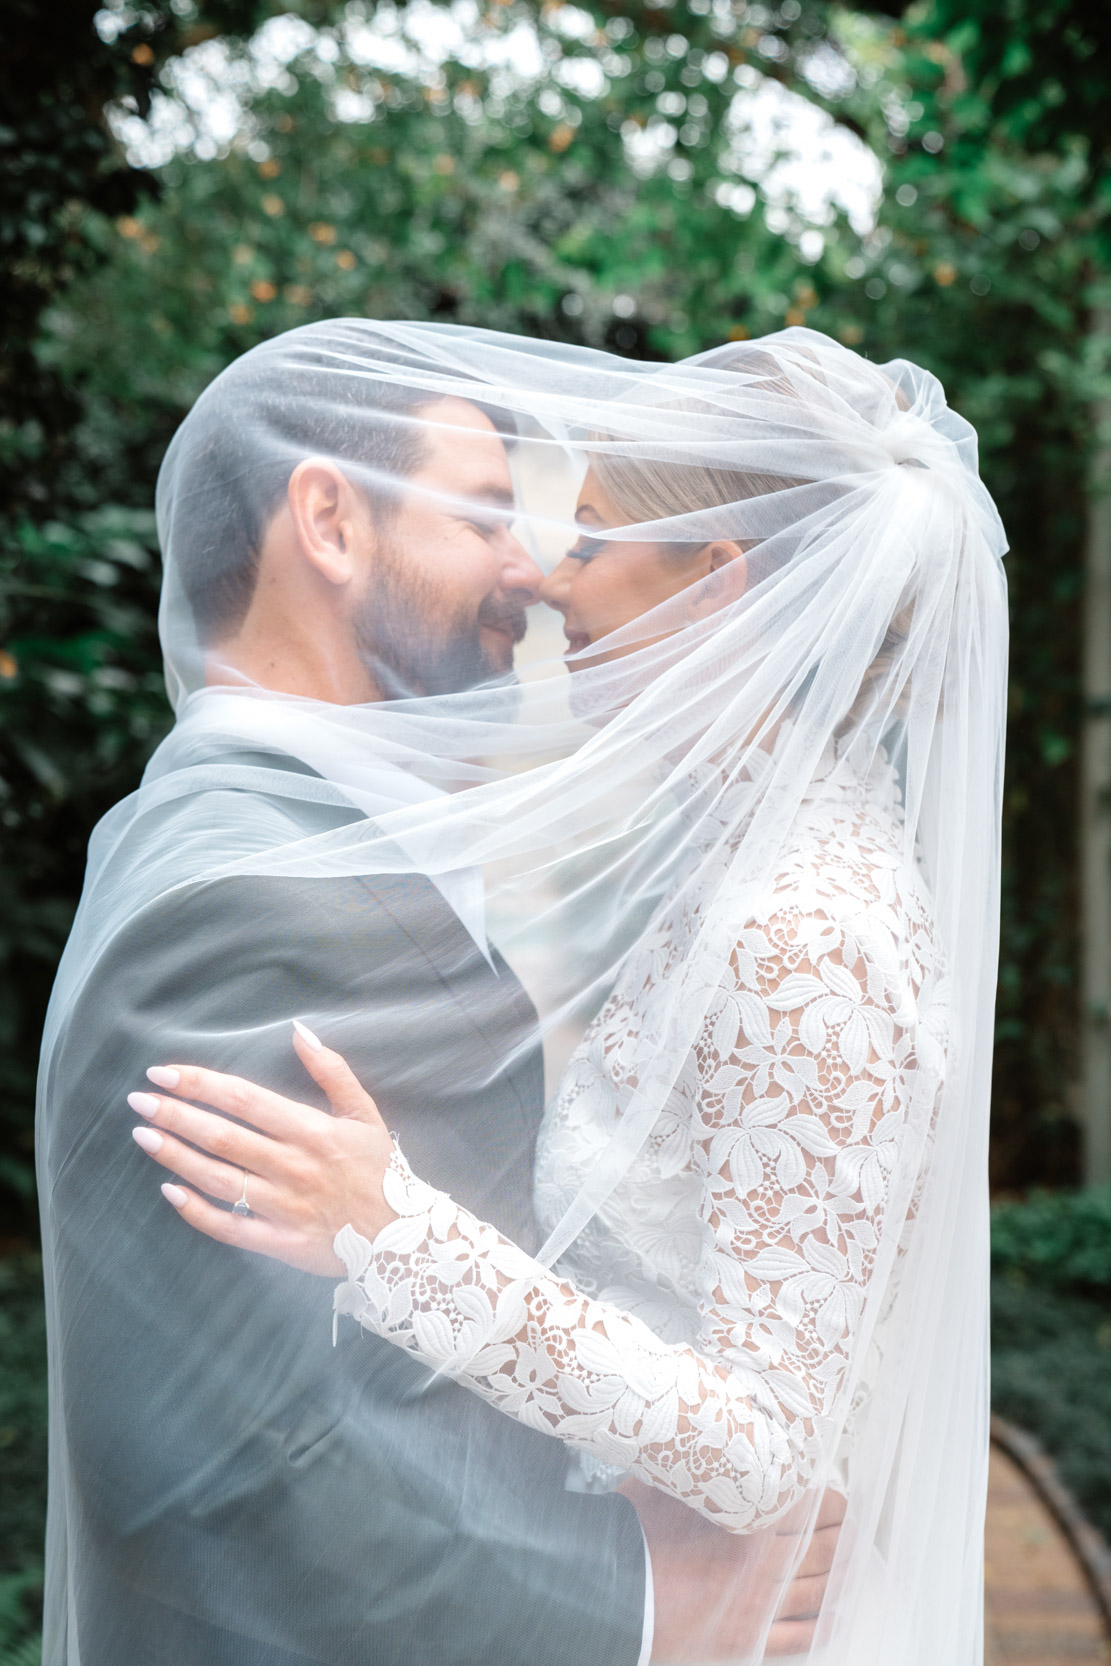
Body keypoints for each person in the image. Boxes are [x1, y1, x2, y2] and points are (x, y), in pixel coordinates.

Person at [126, 325, 1009, 1665]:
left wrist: (396, 1235)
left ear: (711, 590)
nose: (547, 579)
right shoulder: (747, 868)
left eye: (590, 539)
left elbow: (769, 1446)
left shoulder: (801, 934)